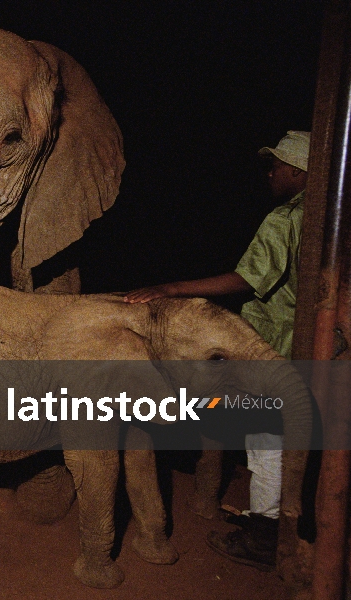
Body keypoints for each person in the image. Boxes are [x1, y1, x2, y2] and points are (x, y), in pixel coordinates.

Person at [124, 130, 310, 571]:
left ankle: (265, 536)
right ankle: (273, 517)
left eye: (278, 166)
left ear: (299, 171)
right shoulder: (325, 217)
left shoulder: (284, 219)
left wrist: (170, 287)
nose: (270, 172)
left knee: (266, 442)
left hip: (273, 345)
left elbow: (248, 278)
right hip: (311, 344)